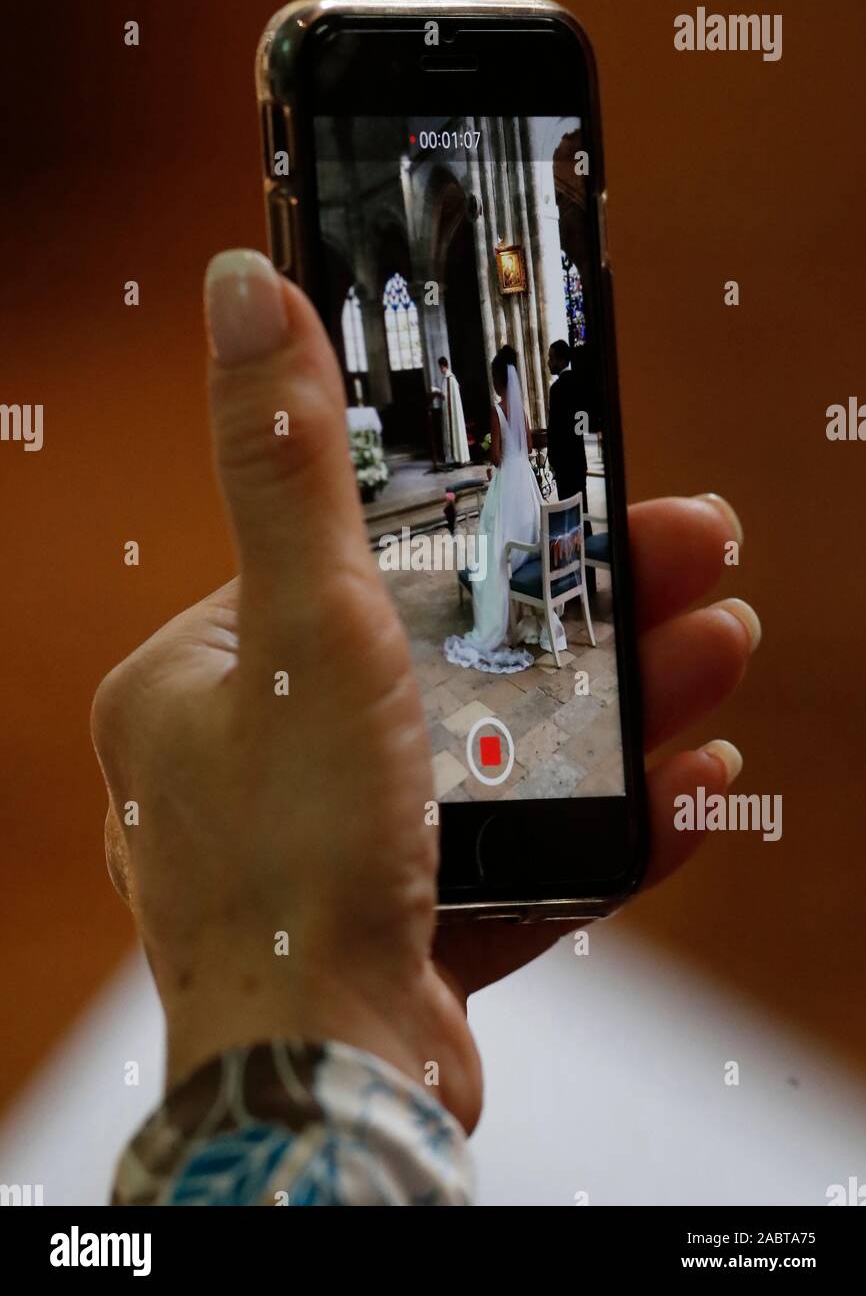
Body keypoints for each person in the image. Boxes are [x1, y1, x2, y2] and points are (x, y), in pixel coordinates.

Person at [94, 248, 760, 1205]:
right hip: (535, 498)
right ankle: (524, 612)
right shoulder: (531, 408)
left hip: (513, 496)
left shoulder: (501, 414)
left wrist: (281, 1021)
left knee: (492, 556)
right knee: (509, 550)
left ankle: (504, 613)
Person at [443, 347, 565, 673]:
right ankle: (530, 607)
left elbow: (496, 456)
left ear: (498, 379)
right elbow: (523, 444)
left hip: (505, 483)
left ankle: (499, 621)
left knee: (493, 548)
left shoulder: (497, 411)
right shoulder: (522, 411)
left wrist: (490, 455)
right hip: (524, 482)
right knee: (526, 529)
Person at [546, 339, 596, 596]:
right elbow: (583, 422)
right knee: (583, 515)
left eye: (551, 358)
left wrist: (553, 458)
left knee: (569, 520)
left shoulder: (557, 389)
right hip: (578, 460)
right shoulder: (580, 382)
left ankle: (574, 581)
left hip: (565, 463)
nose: (548, 362)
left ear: (561, 360)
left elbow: (555, 431)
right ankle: (590, 579)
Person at [439, 355, 471, 467]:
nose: (440, 370)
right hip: (450, 412)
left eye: (440, 367)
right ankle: (457, 458)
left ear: (443, 366)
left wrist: (441, 394)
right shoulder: (447, 379)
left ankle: (460, 459)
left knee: (456, 433)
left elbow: (448, 396)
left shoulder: (450, 379)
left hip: (453, 414)